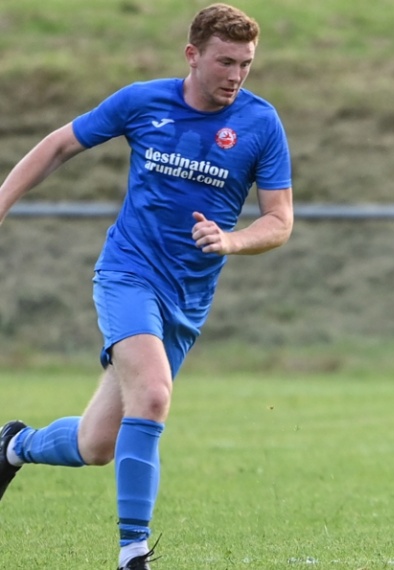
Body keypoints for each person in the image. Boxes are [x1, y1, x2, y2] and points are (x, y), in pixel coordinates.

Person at [0, 4, 293, 569]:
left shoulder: (261, 123)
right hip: (128, 273)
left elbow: (279, 220)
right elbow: (59, 144)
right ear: (193, 55)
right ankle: (134, 553)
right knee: (154, 395)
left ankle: (14, 445)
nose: (236, 75)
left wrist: (232, 240)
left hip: (188, 298)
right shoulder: (142, 102)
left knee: (97, 445)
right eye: (224, 62)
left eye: (246, 64)